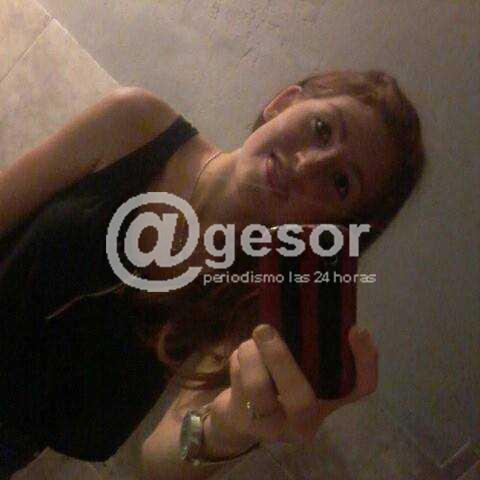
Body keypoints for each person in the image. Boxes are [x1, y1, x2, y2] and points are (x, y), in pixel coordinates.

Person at [0, 69, 425, 479]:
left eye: (341, 182)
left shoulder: (258, 306)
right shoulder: (136, 123)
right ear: (284, 103)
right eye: (322, 129)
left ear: (335, 226)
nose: (308, 164)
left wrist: (225, 430)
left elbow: (158, 462)